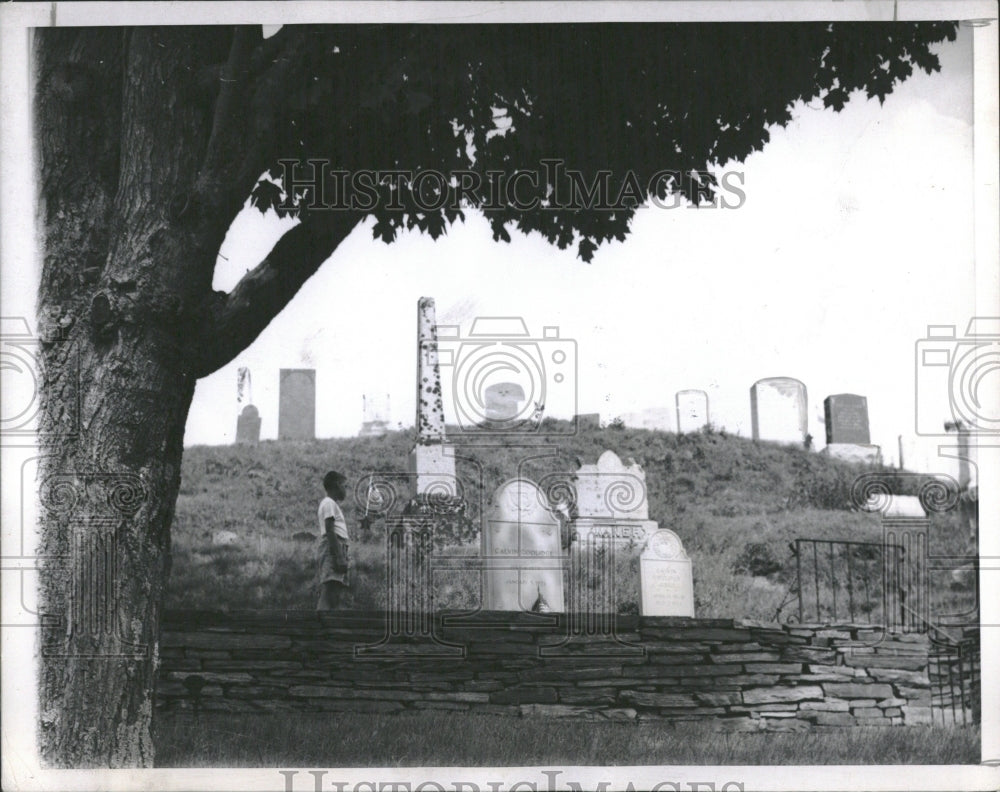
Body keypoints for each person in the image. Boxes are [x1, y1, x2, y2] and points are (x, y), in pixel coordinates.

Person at [316, 470, 350, 610]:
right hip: (333, 548)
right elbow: (330, 531)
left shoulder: (332, 504)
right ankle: (321, 626)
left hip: (338, 547)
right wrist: (340, 556)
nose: (345, 490)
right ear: (336, 485)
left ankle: (330, 625)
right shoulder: (328, 503)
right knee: (329, 588)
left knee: (335, 589)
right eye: (344, 486)